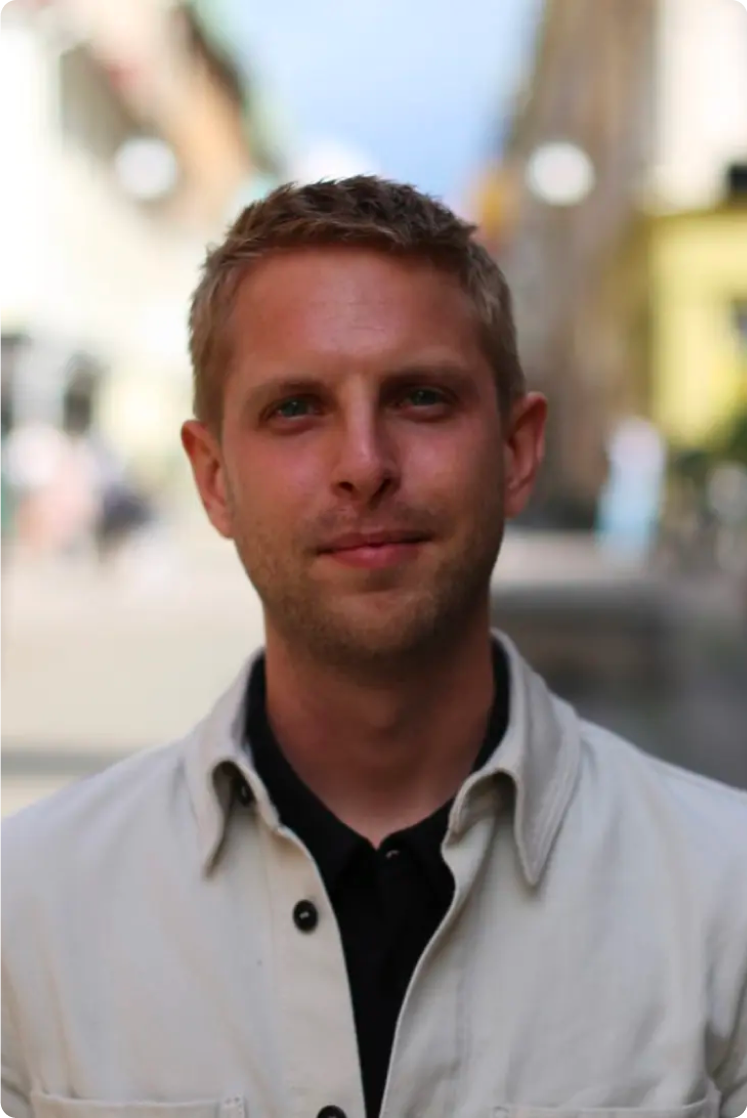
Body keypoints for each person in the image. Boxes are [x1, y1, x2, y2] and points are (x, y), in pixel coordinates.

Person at [0, 176, 744, 1118]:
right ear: (213, 478)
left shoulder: (725, 903)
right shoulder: (29, 912)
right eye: (296, 409)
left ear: (516, 453)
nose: (363, 464)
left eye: (422, 397)